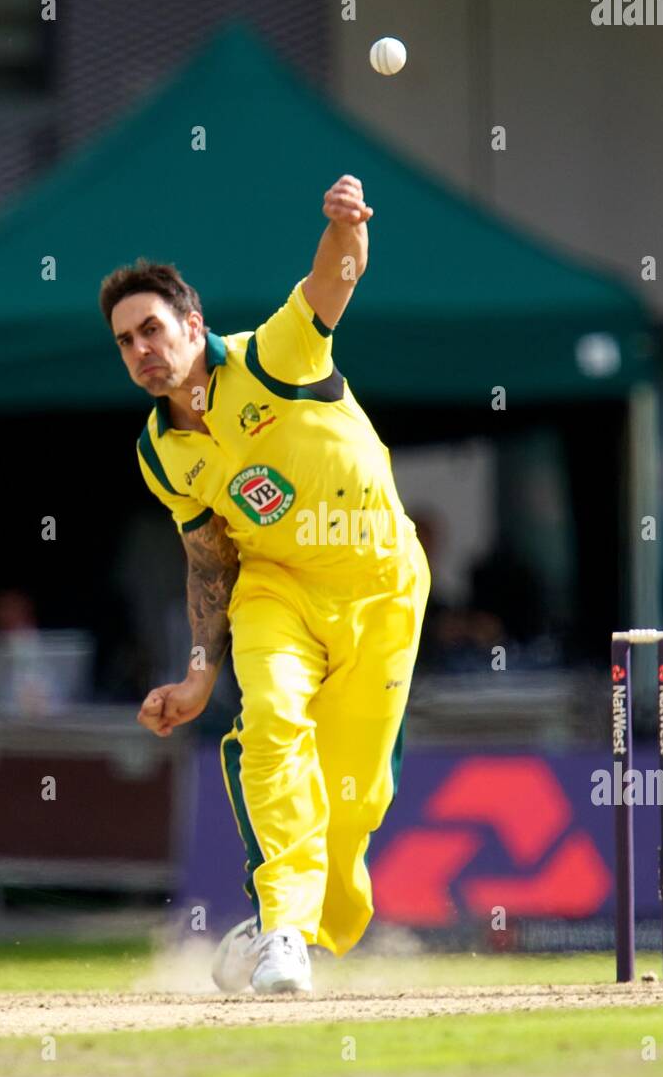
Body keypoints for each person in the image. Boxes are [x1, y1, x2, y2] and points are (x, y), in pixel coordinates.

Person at [99, 175, 430, 996]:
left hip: (382, 584)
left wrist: (345, 227)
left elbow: (332, 282)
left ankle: (294, 921)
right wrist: (200, 673)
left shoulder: (273, 357)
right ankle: (282, 928)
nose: (142, 349)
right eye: (125, 341)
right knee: (272, 722)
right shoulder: (161, 454)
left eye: (152, 328)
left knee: (357, 798)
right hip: (276, 590)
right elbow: (211, 560)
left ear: (192, 325)